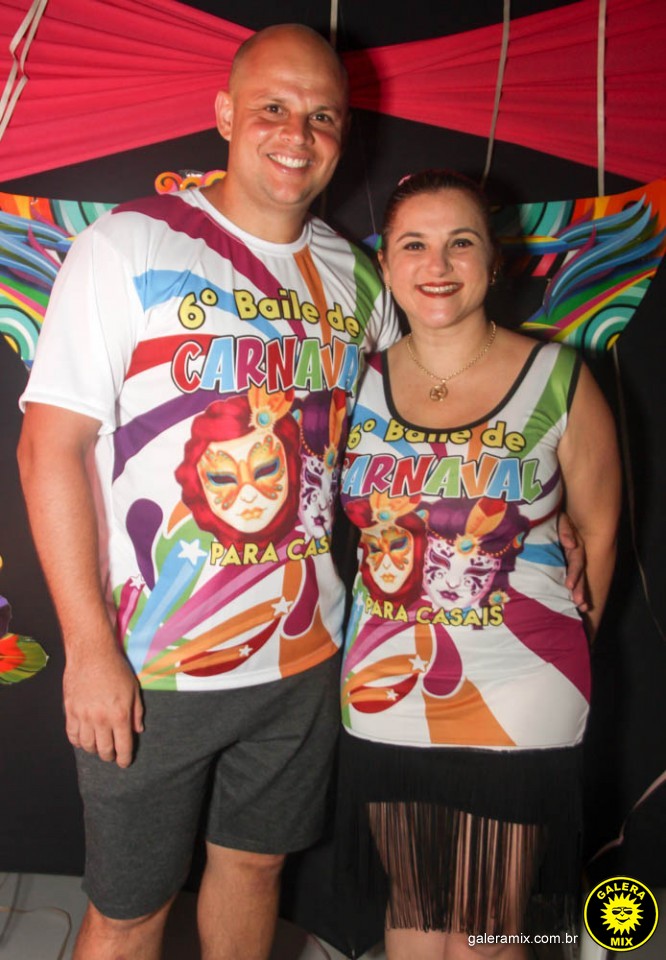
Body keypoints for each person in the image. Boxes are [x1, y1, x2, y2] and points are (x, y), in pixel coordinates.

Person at [16, 24, 400, 960]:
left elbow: (404, 438)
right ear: (225, 113)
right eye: (273, 106)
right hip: (155, 665)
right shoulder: (129, 244)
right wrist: (88, 650)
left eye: (322, 116)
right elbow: (48, 448)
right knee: (129, 912)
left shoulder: (358, 277)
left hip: (305, 654)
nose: (297, 134)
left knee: (256, 869)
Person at [337, 170, 621, 960]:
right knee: (415, 913)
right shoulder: (352, 381)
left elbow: (599, 535)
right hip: (385, 682)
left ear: (495, 261)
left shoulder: (560, 378)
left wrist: (565, 645)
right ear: (386, 266)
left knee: (486, 934)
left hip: (523, 679)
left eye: (460, 242)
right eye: (414, 245)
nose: (438, 265)